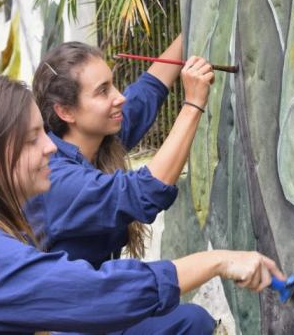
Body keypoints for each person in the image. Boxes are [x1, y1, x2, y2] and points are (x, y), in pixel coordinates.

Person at [0, 75, 285, 334]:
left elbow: (143, 98)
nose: (49, 147)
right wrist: (216, 261)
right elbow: (99, 294)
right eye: (31, 140)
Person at [25, 36, 212, 266]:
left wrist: (193, 17)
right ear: (66, 112)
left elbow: (148, 91)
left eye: (113, 84)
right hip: (68, 300)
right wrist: (193, 104)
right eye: (103, 91)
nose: (120, 97)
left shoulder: (99, 137)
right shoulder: (55, 179)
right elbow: (147, 192)